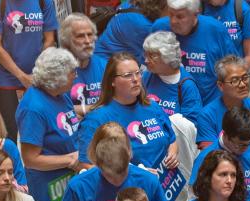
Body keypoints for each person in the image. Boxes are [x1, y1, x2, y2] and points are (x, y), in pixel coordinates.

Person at [57, 122, 170, 201]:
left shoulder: (147, 180)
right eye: (109, 175)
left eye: (123, 172)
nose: (117, 181)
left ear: (129, 155)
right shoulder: (79, 186)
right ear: (97, 162)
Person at [76, 52, 178, 180]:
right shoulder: (95, 119)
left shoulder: (152, 106)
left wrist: (173, 153)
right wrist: (132, 173)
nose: (135, 79)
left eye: (137, 73)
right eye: (127, 75)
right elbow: (85, 165)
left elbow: (172, 140)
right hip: (126, 192)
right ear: (112, 81)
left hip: (165, 186)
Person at [16, 47, 81, 201]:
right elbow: (30, 159)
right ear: (57, 77)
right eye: (72, 72)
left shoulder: (60, 94)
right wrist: (71, 159)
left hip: (70, 180)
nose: (76, 76)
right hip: (48, 191)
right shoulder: (33, 108)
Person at [0, 0, 58, 139]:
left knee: (39, 129)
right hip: (6, 79)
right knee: (8, 131)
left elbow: (49, 39)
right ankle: (11, 160)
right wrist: (22, 76)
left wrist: (36, 73)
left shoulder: (44, 2)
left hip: (37, 77)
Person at [150, 0, 236, 105]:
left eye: (180, 17)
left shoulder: (215, 30)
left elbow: (233, 68)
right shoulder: (159, 28)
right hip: (170, 104)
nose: (173, 21)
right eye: (171, 14)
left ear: (195, 14)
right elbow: (149, 66)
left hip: (209, 104)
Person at [192, 107, 250, 201]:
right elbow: (195, 200)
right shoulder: (205, 158)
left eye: (248, 143)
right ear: (226, 135)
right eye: (240, 145)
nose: (245, 148)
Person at [196, 55, 250, 160]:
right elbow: (210, 159)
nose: (242, 84)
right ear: (220, 85)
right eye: (234, 80)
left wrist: (228, 150)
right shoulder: (207, 115)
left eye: (245, 78)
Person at [141, 30, 203, 126]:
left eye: (152, 56)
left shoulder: (187, 86)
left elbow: (190, 126)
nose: (146, 61)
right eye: (146, 55)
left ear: (168, 57)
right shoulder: (148, 75)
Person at [59, 14, 105, 116]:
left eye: (90, 34)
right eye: (80, 36)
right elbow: (56, 109)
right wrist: (89, 109)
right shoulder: (57, 70)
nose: (88, 41)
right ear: (67, 41)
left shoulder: (105, 65)